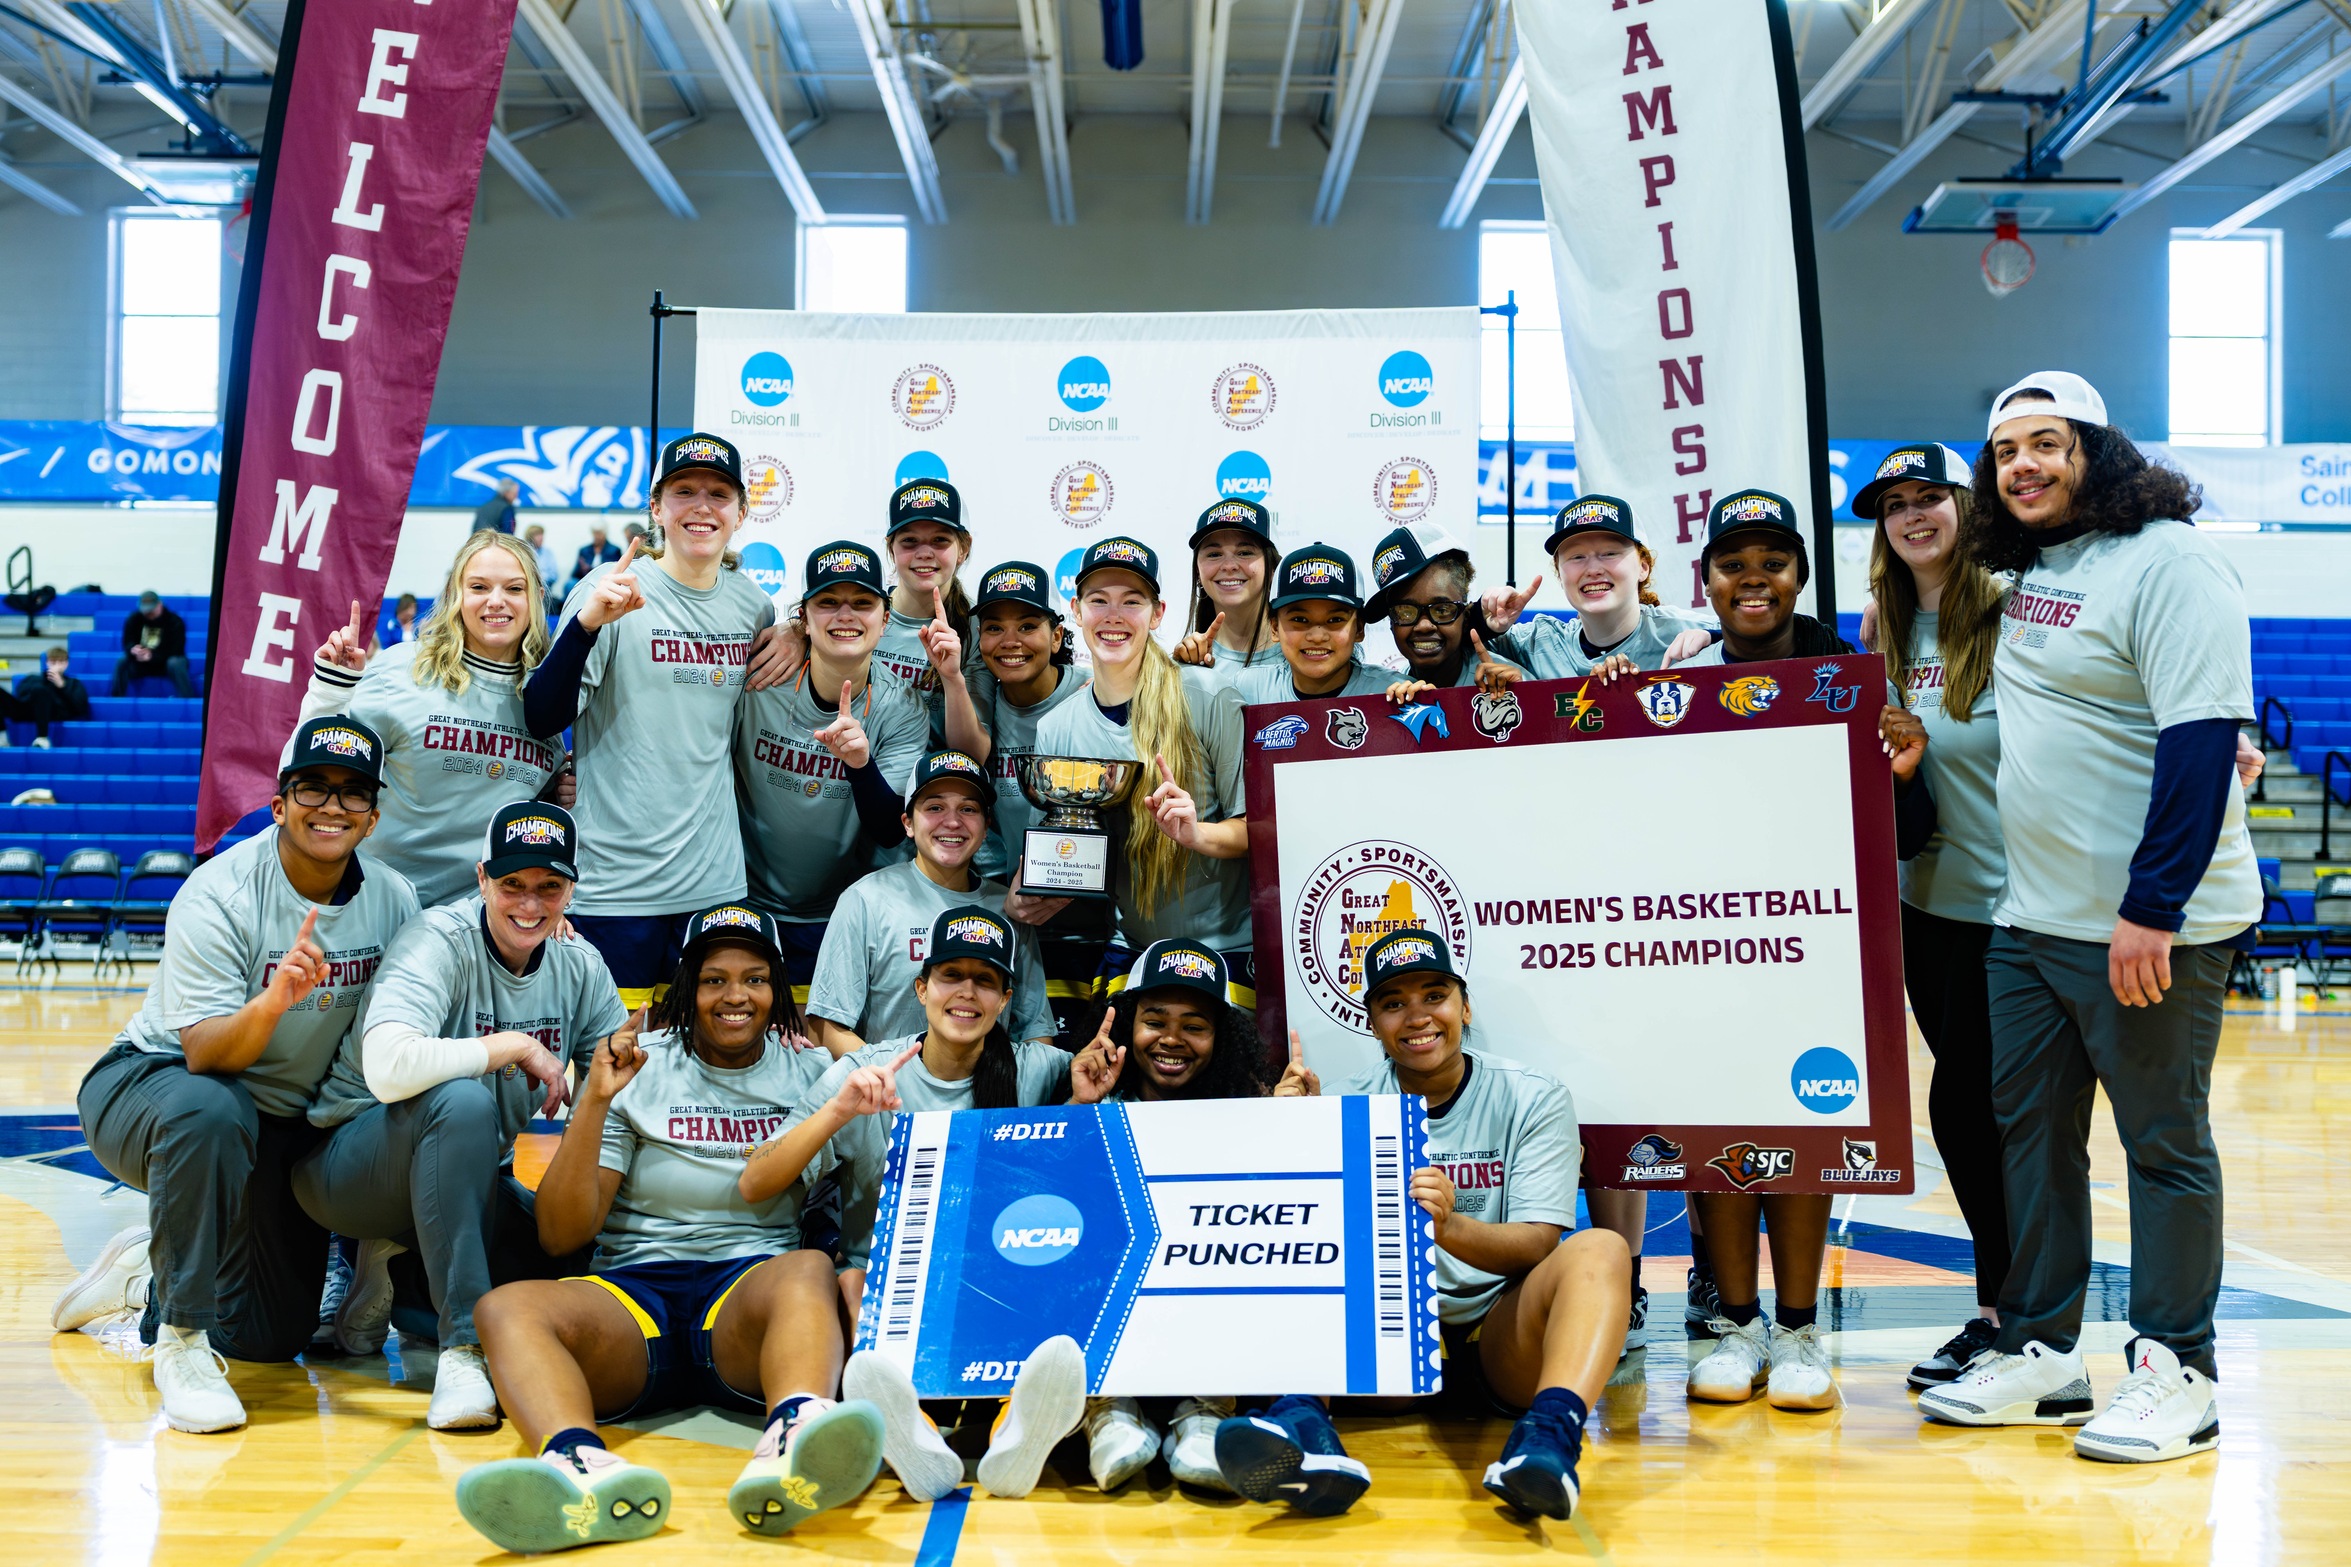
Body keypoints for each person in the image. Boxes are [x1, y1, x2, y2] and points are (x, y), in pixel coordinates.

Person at [1916, 372, 2258, 1464]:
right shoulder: (2024, 567)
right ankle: (2041, 1348)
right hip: (2029, 920)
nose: (2022, 465)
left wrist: (2149, 908)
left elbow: (2201, 739)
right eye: (2005, 450)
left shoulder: (2168, 558)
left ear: (2096, 452)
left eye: (2046, 443)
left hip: (2146, 927)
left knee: (2160, 1145)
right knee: (2030, 1137)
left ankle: (2175, 1367)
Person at [454, 904, 885, 1551]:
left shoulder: (810, 1069)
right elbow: (559, 1235)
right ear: (686, 984)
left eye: (754, 977)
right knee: (505, 1305)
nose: (735, 995)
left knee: (808, 1267)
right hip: (633, 1300)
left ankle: (793, 1438)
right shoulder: (638, 1064)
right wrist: (595, 1098)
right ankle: (578, 1467)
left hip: (745, 1300)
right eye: (714, 979)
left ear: (776, 987)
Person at [52, 717, 421, 1432]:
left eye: (352, 792)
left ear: (373, 817)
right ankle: (181, 1341)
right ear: (279, 802)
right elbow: (206, 1055)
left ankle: (147, 1274)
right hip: (153, 1086)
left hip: (277, 1122)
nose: (332, 805)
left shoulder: (393, 899)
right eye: (313, 786)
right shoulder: (219, 889)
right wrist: (276, 999)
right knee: (209, 1107)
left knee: (268, 1338)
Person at [1215, 930, 1630, 1521]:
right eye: (1392, 1003)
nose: (1417, 1017)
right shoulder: (1342, 1102)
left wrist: (1449, 1226)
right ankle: (1306, 1428)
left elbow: (1537, 1245)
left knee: (1603, 1248)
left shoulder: (1533, 1095)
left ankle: (1547, 1442)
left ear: (1464, 1007)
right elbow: (1295, 1240)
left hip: (1501, 1336)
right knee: (1304, 1251)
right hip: (1395, 1345)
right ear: (1373, 1023)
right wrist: (1294, 1138)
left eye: (1433, 995)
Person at [1669, 488, 1926, 1413]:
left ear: (1797, 577)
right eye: (1733, 564)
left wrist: (1903, 763)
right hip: (1708, 940)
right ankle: (1735, 1322)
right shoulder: (1682, 684)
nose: (1752, 579)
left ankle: (1798, 1321)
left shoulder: (1851, 675)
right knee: (1721, 1128)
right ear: (1706, 581)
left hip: (1819, 943)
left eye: (1771, 562)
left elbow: (1906, 831)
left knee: (1804, 1130)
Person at [293, 801, 630, 1430]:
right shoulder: (437, 940)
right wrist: (514, 1045)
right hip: (347, 1164)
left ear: (571, 891)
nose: (530, 904)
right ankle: (462, 1353)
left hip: (458, 1178)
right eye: (512, 886)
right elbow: (389, 1066)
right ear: (482, 880)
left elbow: (626, 1072)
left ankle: (400, 1277)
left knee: (561, 1261)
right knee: (461, 1099)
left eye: (549, 887)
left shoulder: (579, 964)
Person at [745, 904, 1088, 1501]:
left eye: (985, 980)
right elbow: (756, 1181)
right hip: (887, 1289)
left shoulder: (1038, 1069)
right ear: (921, 987)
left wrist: (1086, 1100)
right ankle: (918, 1431)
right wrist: (838, 1112)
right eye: (952, 975)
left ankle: (1013, 1428)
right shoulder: (863, 1071)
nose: (967, 993)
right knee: (848, 1278)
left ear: (1006, 998)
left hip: (994, 1283)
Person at [1852, 443, 2017, 1387]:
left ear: (1965, 504)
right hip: (1929, 906)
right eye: (1895, 504)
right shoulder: (1881, 626)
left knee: (1978, 1110)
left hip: (2017, 908)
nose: (1914, 516)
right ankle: (2001, 1311)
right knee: (1964, 1114)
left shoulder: (2011, 609)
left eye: (1931, 498)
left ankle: (2020, 1317)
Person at [524, 434, 776, 1007]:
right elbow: (543, 715)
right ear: (657, 508)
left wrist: (790, 630)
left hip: (716, 887)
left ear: (740, 511)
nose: (702, 507)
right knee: (610, 1069)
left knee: (698, 1075)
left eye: (719, 494)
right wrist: (587, 625)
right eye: (684, 492)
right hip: (615, 890)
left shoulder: (753, 605)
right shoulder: (610, 591)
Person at [1078, 938, 1294, 1495]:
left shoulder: (1250, 1111)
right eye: (1155, 1020)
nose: (1172, 1039)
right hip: (1113, 1343)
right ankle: (1108, 1412)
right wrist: (1078, 1112)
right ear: (1128, 1025)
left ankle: (1206, 1415)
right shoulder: (1090, 1100)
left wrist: (1299, 1131)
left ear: (1221, 1037)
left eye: (1194, 1025)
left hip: (1208, 1344)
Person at [1033, 537, 1253, 1004]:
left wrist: (1197, 836)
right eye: (1099, 601)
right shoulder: (1056, 728)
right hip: (1130, 950)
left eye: (1132, 602)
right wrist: (1024, 895)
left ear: (1157, 614)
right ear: (1075, 610)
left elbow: (1257, 830)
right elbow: (1062, 850)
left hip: (1225, 951)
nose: (1113, 616)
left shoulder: (1209, 696)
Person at [295, 531, 559, 907]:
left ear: (534, 599)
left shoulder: (546, 696)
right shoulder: (402, 670)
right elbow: (304, 765)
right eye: (479, 586)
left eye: (514, 589)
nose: (496, 601)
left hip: (479, 926)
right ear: (456, 595)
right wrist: (331, 691)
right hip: (374, 907)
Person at [734, 540, 931, 1003]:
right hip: (744, 903)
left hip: (839, 913)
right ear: (803, 617)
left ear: (885, 621)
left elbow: (889, 830)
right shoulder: (759, 678)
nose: (845, 615)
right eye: (828, 603)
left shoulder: (901, 705)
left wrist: (860, 765)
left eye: (862, 603)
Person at [805, 749, 1054, 1054]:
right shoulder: (865, 901)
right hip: (891, 1095)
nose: (952, 822)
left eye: (968, 809)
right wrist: (896, 1085)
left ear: (987, 825)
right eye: (935, 807)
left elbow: (1035, 1031)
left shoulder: (1010, 908)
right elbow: (826, 1025)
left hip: (988, 1097)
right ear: (908, 823)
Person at [953, 560, 1101, 1042]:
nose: (1010, 641)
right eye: (994, 628)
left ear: (1058, 635)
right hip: (1009, 915)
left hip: (1091, 916)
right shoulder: (975, 700)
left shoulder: (1095, 691)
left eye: (1028, 626)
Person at [1480, 496, 1714, 677]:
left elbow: (1748, 637)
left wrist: (1715, 637)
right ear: (1560, 575)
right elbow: (1450, 646)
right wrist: (1484, 620)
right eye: (1577, 557)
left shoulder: (1682, 632)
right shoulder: (1537, 644)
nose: (1593, 569)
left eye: (1610, 553)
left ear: (1643, 567)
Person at [873, 477, 980, 735]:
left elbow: (974, 753)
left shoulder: (980, 626)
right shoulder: (865, 615)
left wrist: (953, 679)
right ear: (891, 548)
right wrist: (794, 633)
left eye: (940, 540)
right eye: (909, 540)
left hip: (944, 776)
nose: (924, 553)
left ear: (963, 549)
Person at [1170, 499, 1284, 684]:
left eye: (1245, 552)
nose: (1229, 566)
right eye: (1214, 554)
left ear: (1272, 568)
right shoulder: (1182, 668)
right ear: (1198, 572)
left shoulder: (1303, 658)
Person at [2, 646, 90, 748]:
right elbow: (21, 696)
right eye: (53, 661)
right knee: (38, 689)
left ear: (66, 664)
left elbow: (80, 708)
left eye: (60, 662)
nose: (56, 665)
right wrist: (45, 682)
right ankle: (2, 737)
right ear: (47, 662)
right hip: (28, 710)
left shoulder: (73, 683)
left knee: (40, 690)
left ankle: (42, 738)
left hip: (56, 712)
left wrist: (62, 686)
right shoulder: (33, 679)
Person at [112, 590, 192, 697]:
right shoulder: (134, 619)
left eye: (151, 610)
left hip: (165, 663)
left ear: (160, 605)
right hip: (141, 663)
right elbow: (127, 642)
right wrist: (134, 650)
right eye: (145, 611)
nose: (148, 614)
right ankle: (117, 699)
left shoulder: (175, 621)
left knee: (176, 663)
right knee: (122, 661)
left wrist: (152, 656)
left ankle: (187, 699)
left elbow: (177, 649)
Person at [567, 525, 621, 597]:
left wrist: (589, 568)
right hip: (585, 579)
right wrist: (582, 568)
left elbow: (613, 570)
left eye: (599, 533)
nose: (597, 536)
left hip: (605, 580)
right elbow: (575, 573)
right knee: (570, 584)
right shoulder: (584, 550)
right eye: (595, 533)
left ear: (605, 534)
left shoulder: (614, 550)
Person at [523, 523, 561, 598]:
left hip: (544, 586)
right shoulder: (523, 551)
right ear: (530, 537)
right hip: (527, 586)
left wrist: (541, 578)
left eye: (542, 535)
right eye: (538, 535)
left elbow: (554, 574)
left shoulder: (548, 552)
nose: (541, 538)